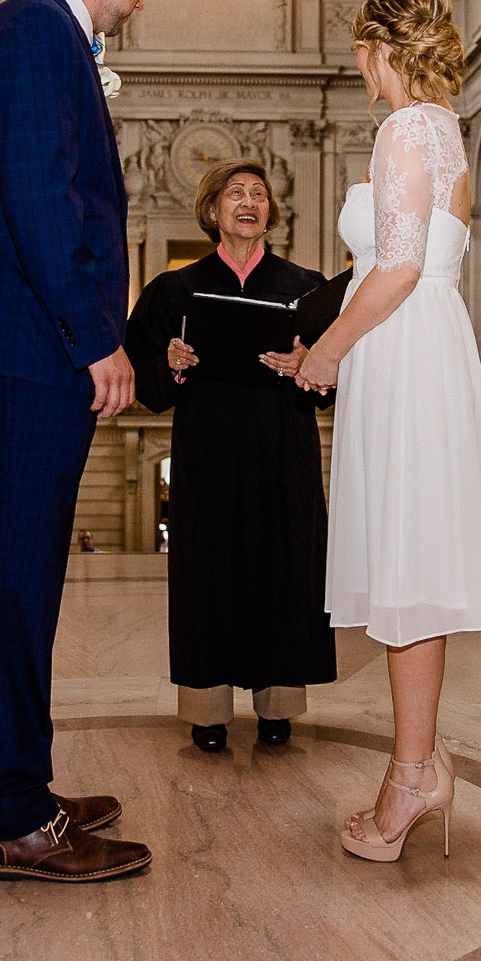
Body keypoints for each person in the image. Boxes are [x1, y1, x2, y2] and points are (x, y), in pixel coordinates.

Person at [0, 0, 169, 883]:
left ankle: (1, 785)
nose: (138, 2)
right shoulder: (33, 34)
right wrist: (94, 341)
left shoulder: (30, 34)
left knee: (13, 580)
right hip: (23, 346)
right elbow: (38, 202)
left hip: (15, 343)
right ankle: (10, 817)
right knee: (18, 583)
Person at [293, 0, 481, 863]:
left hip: (405, 348)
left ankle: (412, 775)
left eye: (360, 48)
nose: (358, 65)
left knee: (408, 570)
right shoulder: (447, 131)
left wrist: (328, 352)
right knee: (412, 569)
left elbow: (395, 270)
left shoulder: (404, 129)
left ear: (381, 46)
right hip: (425, 349)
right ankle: (420, 759)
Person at [125, 159, 337, 753]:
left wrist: (310, 365)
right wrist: (168, 360)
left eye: (260, 195)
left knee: (285, 570)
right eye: (236, 193)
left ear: (270, 212)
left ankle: (278, 704)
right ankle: (207, 707)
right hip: (208, 453)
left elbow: (339, 373)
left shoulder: (307, 288)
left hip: (283, 452)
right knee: (206, 572)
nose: (249, 202)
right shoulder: (173, 289)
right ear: (213, 210)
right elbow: (139, 369)